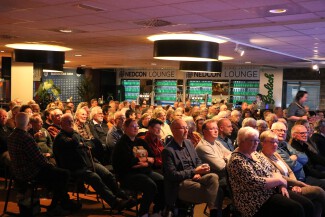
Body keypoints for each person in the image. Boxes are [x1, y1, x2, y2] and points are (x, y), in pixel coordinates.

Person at [227, 127, 314, 217]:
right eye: (252, 140)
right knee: (296, 208)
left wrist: (282, 185)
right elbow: (256, 182)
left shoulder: (254, 153)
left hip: (271, 191)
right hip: (255, 201)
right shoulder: (237, 160)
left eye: (257, 140)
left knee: (307, 204)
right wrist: (280, 181)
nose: (256, 143)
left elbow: (274, 170)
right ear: (241, 141)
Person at [53, 113, 131, 212]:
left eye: (72, 121)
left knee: (107, 174)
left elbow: (89, 143)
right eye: (68, 121)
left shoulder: (73, 135)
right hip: (74, 168)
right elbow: (74, 143)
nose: (71, 123)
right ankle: (115, 202)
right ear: (61, 123)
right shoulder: (60, 137)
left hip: (88, 162)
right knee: (95, 178)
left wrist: (81, 143)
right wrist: (76, 134)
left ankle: (124, 198)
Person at [8, 112, 75, 215]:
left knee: (58, 175)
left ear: (15, 122)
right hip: (30, 172)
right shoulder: (26, 138)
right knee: (64, 174)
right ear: (28, 123)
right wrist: (51, 165)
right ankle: (58, 205)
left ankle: (61, 203)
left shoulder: (11, 136)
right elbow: (39, 159)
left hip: (16, 172)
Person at [162, 119, 220, 217]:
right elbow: (172, 175)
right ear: (173, 130)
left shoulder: (188, 143)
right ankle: (214, 211)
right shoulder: (168, 151)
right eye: (182, 128)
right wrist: (194, 171)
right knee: (217, 191)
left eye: (186, 128)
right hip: (181, 183)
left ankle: (212, 210)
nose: (186, 131)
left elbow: (197, 161)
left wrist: (200, 170)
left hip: (196, 177)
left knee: (213, 177)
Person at [260, 130, 325, 217]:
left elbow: (290, 171)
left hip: (294, 184)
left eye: (276, 142)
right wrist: (297, 184)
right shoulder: (262, 158)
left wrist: (296, 184)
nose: (275, 144)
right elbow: (280, 176)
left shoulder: (275, 154)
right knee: (318, 191)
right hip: (284, 187)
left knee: (317, 202)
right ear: (262, 143)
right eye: (272, 142)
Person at [112, 118, 164, 217]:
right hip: (127, 175)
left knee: (162, 181)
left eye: (137, 126)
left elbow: (152, 157)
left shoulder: (140, 141)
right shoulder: (121, 144)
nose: (136, 128)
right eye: (133, 126)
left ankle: (158, 210)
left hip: (144, 171)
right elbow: (129, 163)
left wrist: (145, 161)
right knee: (150, 185)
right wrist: (145, 159)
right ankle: (143, 213)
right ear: (125, 128)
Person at [196, 119, 232, 216]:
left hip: (223, 176)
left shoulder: (216, 142)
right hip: (213, 179)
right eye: (212, 129)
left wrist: (225, 158)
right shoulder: (203, 146)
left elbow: (232, 155)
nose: (216, 131)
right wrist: (224, 158)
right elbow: (221, 166)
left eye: (216, 128)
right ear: (204, 131)